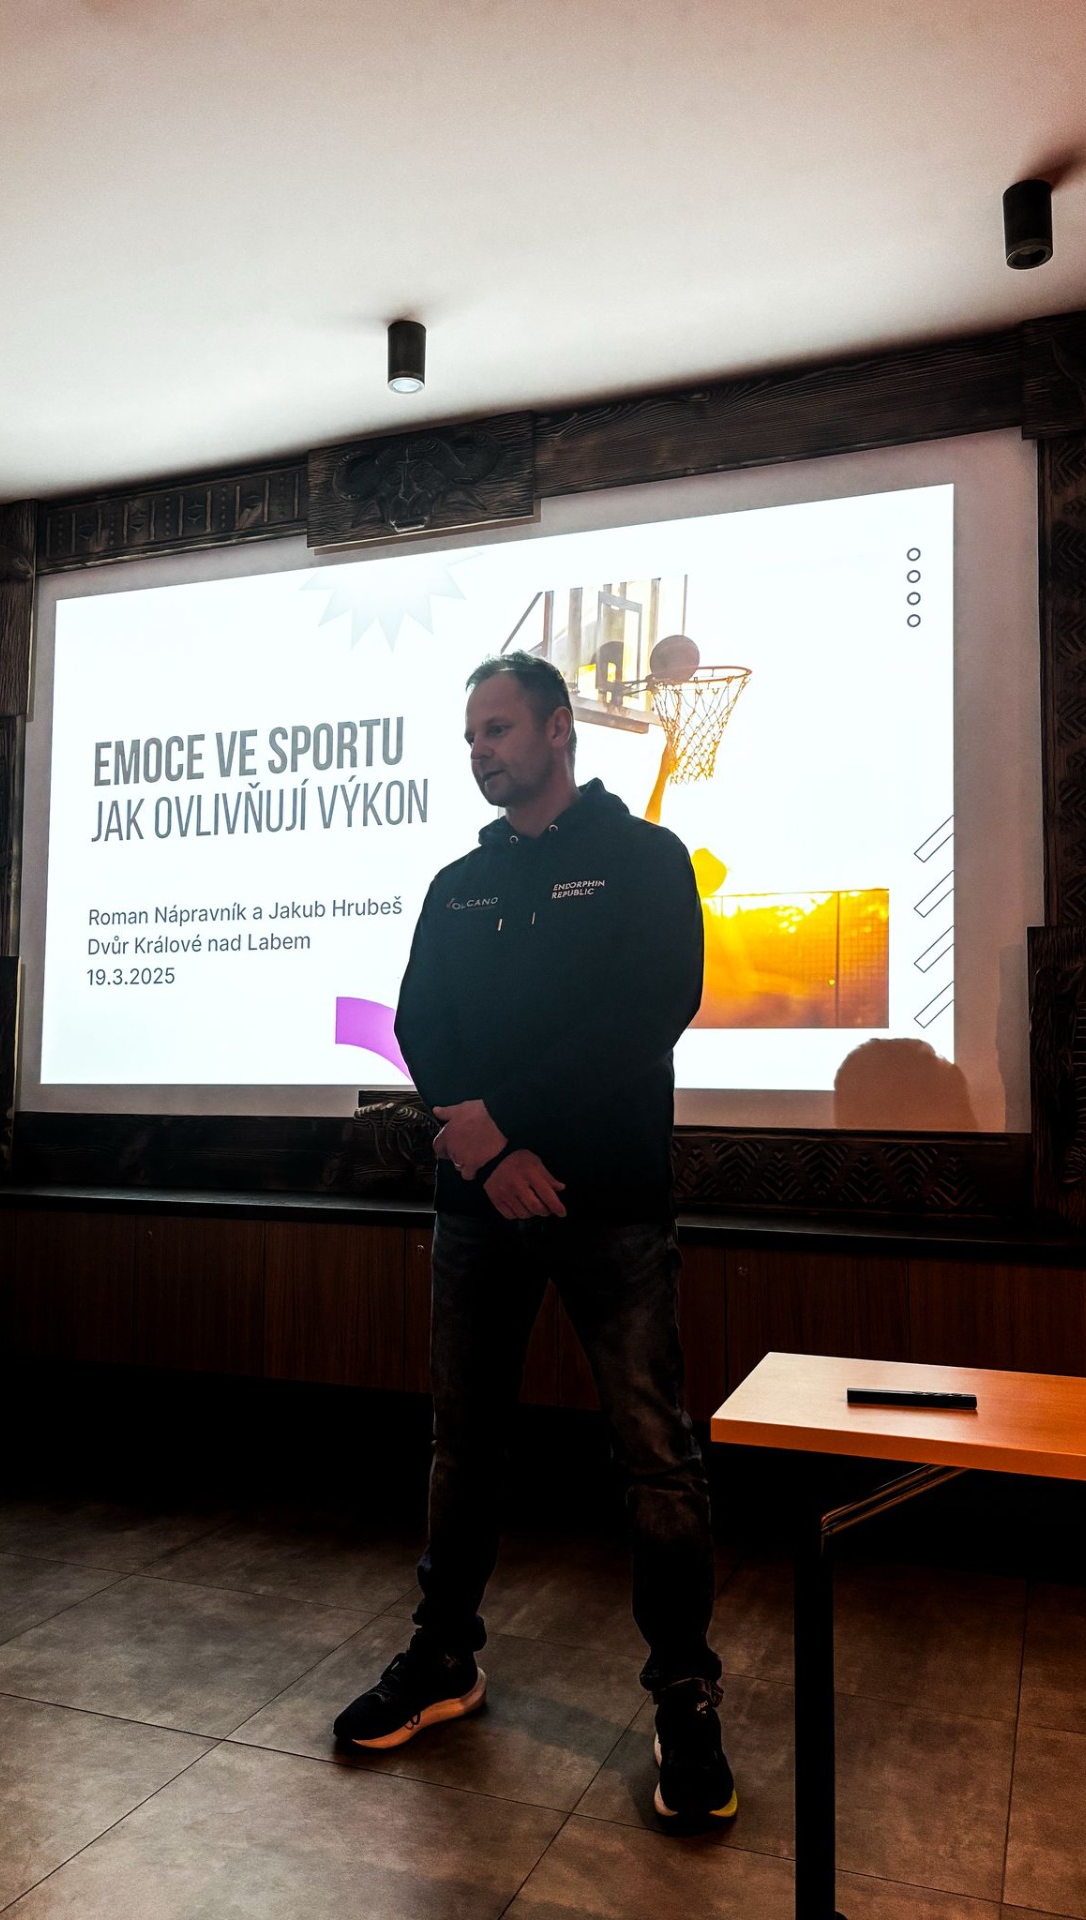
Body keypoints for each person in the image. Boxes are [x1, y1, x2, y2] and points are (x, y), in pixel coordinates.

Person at [332, 650, 735, 1824]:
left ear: (559, 728)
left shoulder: (646, 859)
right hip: (478, 1208)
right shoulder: (458, 883)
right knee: (463, 1445)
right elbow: (422, 1023)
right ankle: (444, 1656)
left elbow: (648, 1011)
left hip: (611, 1207)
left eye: (498, 729)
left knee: (656, 1454)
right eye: (471, 736)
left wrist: (509, 1121)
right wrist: (489, 1152)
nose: (480, 751)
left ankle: (684, 1691)